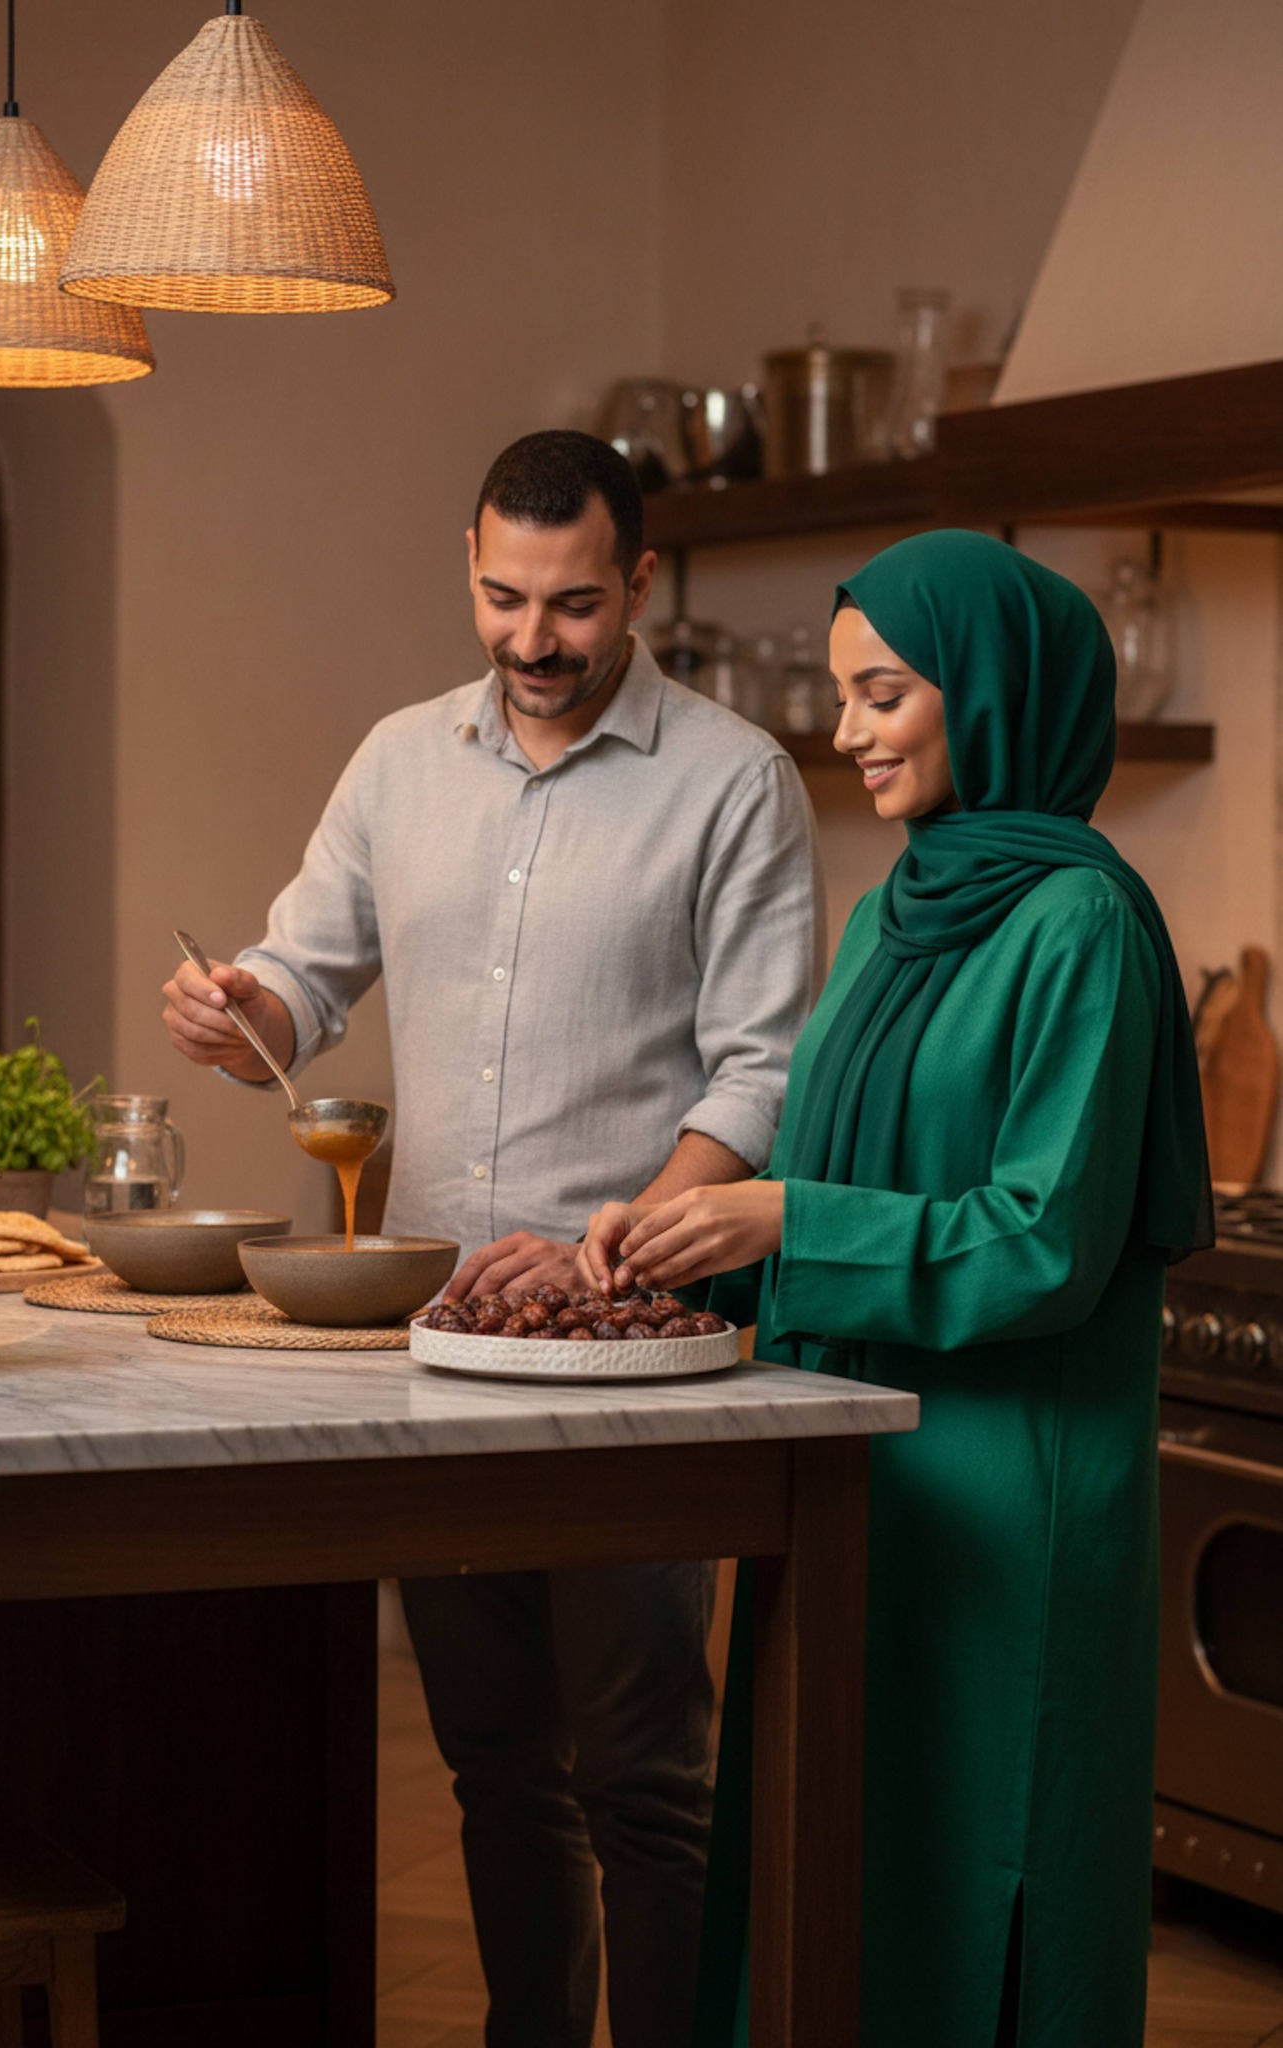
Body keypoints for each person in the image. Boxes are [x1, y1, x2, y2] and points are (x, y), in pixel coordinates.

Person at [162, 429, 825, 2048]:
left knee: (646, 1779)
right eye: (503, 596)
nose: (535, 641)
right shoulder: (398, 763)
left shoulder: (734, 782)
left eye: (575, 605)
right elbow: (307, 979)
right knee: (497, 1770)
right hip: (437, 1349)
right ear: (469, 564)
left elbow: (764, 1067)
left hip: (637, 1360)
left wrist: (627, 1244)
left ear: (642, 585)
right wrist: (240, 1001)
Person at [581, 529, 1212, 2048]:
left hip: (1013, 1504)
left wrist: (781, 1218)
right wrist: (676, 1251)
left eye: (882, 694)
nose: (845, 729)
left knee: (979, 1873)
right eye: (847, 695)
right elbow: (815, 1170)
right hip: (860, 1478)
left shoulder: (1087, 927)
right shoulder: (890, 912)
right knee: (829, 1852)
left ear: (991, 696)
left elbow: (1040, 1240)